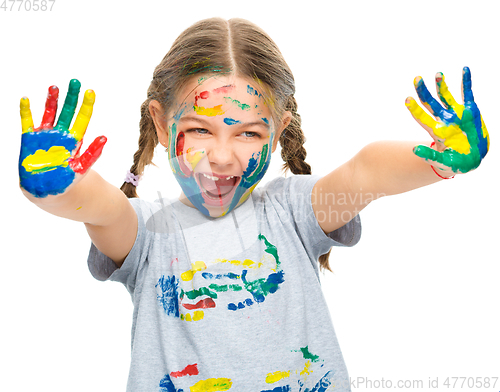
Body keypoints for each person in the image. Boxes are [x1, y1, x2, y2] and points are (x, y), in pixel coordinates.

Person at [18, 17, 489, 392]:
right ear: (162, 126)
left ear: (279, 132)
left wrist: (440, 162)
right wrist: (60, 187)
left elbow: (366, 172)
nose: (223, 156)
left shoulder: (293, 211)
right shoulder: (147, 233)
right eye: (200, 130)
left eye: (248, 133)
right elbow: (101, 208)